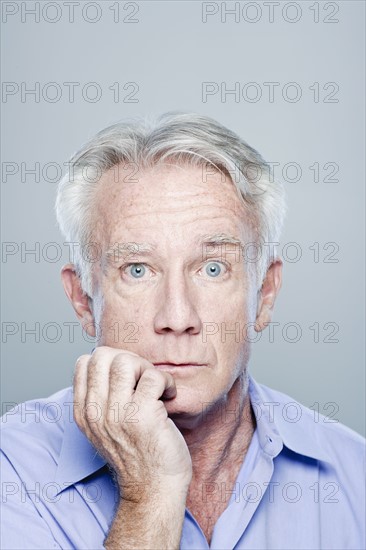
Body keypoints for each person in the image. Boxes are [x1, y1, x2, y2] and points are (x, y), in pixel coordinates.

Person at [1, 112, 364, 550]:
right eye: (138, 270)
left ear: (265, 294)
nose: (177, 316)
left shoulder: (355, 472)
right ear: (83, 299)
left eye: (213, 268)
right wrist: (150, 495)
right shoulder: (13, 471)